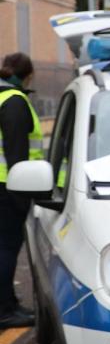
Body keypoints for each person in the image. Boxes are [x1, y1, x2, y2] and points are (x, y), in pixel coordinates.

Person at [0, 52, 41, 328]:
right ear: (28, 74)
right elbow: (17, 154)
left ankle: (9, 304)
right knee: (5, 249)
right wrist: (22, 193)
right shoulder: (14, 101)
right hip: (8, 188)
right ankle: (5, 311)